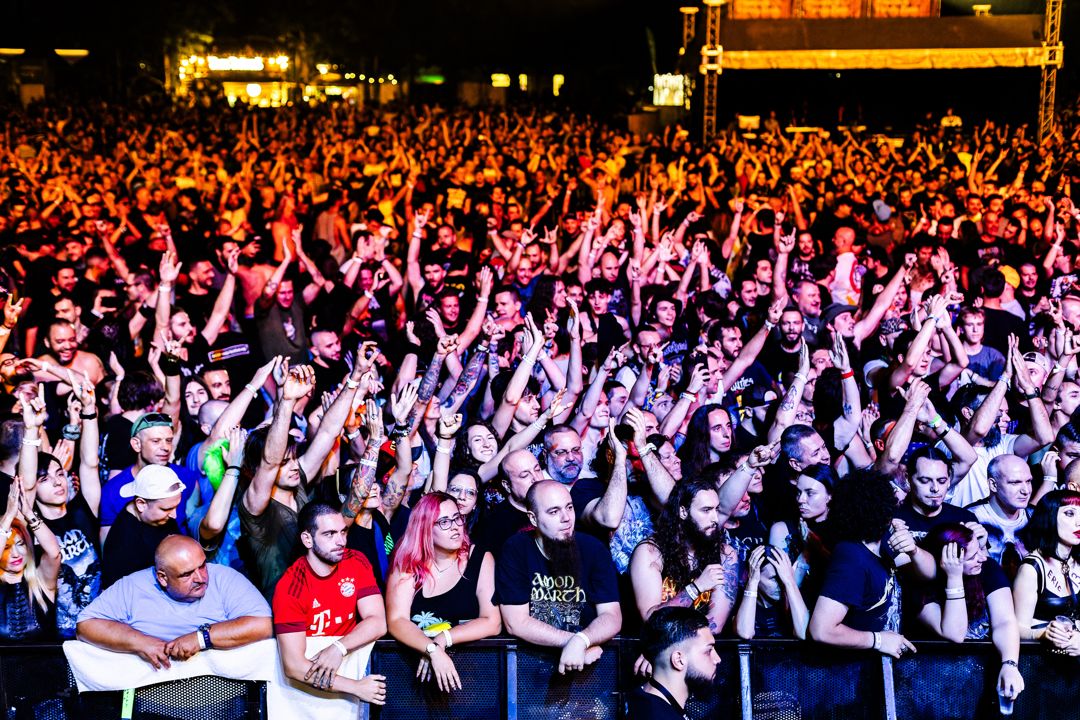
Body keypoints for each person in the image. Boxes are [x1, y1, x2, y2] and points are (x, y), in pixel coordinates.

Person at [76, 535, 272, 669]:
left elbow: (263, 624)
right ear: (162, 578)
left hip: (222, 702)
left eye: (202, 566)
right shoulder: (132, 587)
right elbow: (85, 626)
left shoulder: (224, 578)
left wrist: (201, 638)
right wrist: (140, 642)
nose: (201, 577)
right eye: (187, 574)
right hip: (154, 705)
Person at [495, 480, 621, 675]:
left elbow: (612, 616)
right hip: (531, 669)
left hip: (588, 669)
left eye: (569, 508)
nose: (566, 518)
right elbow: (515, 622)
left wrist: (582, 641)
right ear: (533, 519)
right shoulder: (516, 549)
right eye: (553, 512)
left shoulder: (594, 549)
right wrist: (574, 642)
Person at [273, 504, 387, 706]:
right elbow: (294, 666)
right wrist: (355, 687)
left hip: (349, 667)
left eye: (343, 532)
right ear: (307, 539)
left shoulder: (355, 561)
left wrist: (338, 648)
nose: (341, 541)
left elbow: (378, 622)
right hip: (305, 694)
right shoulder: (291, 586)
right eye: (329, 534)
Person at [385, 493, 501, 692]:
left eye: (457, 518)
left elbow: (492, 622)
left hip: (470, 676)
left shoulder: (480, 558)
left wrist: (442, 639)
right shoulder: (408, 564)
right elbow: (396, 620)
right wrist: (431, 650)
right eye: (444, 522)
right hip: (413, 677)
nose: (455, 526)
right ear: (425, 528)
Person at [809, 468, 918, 659]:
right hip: (851, 675)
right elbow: (821, 630)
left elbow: (928, 573)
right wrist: (878, 640)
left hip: (876, 673)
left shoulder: (881, 547)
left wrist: (913, 549)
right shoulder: (851, 556)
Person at [916, 524, 1023, 703]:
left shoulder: (987, 569)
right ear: (947, 561)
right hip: (930, 680)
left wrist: (1010, 664)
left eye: (980, 550)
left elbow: (1004, 621)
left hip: (979, 676)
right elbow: (955, 633)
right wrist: (954, 578)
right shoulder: (922, 585)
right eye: (972, 556)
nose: (982, 558)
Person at [1013, 490, 1080, 656]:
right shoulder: (1032, 568)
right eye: (1070, 514)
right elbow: (1016, 628)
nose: (1079, 522)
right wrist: (1044, 633)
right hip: (1041, 666)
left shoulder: (1077, 560)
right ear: (1050, 517)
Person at [625, 607, 721, 720]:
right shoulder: (656, 715)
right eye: (708, 651)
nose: (718, 659)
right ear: (678, 660)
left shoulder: (643, 700)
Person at [101, 465, 185, 589]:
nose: (174, 515)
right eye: (167, 509)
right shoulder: (123, 544)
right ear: (141, 504)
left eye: (176, 507)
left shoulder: (158, 517)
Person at [0, 477, 60, 640]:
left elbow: (54, 553)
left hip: (44, 664)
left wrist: (28, 513)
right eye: (6, 547)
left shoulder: (41, 581)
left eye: (20, 544)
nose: (15, 553)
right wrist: (7, 519)